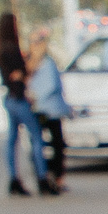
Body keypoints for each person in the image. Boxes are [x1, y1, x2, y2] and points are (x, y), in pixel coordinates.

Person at [0, 12, 37, 195]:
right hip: (18, 97)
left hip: (8, 97)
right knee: (36, 136)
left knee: (12, 140)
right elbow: (22, 72)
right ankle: (41, 176)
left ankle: (13, 177)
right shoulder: (11, 48)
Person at [26, 27, 71, 196]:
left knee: (56, 144)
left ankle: (55, 176)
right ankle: (44, 176)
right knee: (42, 144)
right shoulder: (32, 62)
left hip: (48, 109)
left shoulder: (48, 61)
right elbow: (48, 85)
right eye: (35, 42)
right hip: (41, 109)